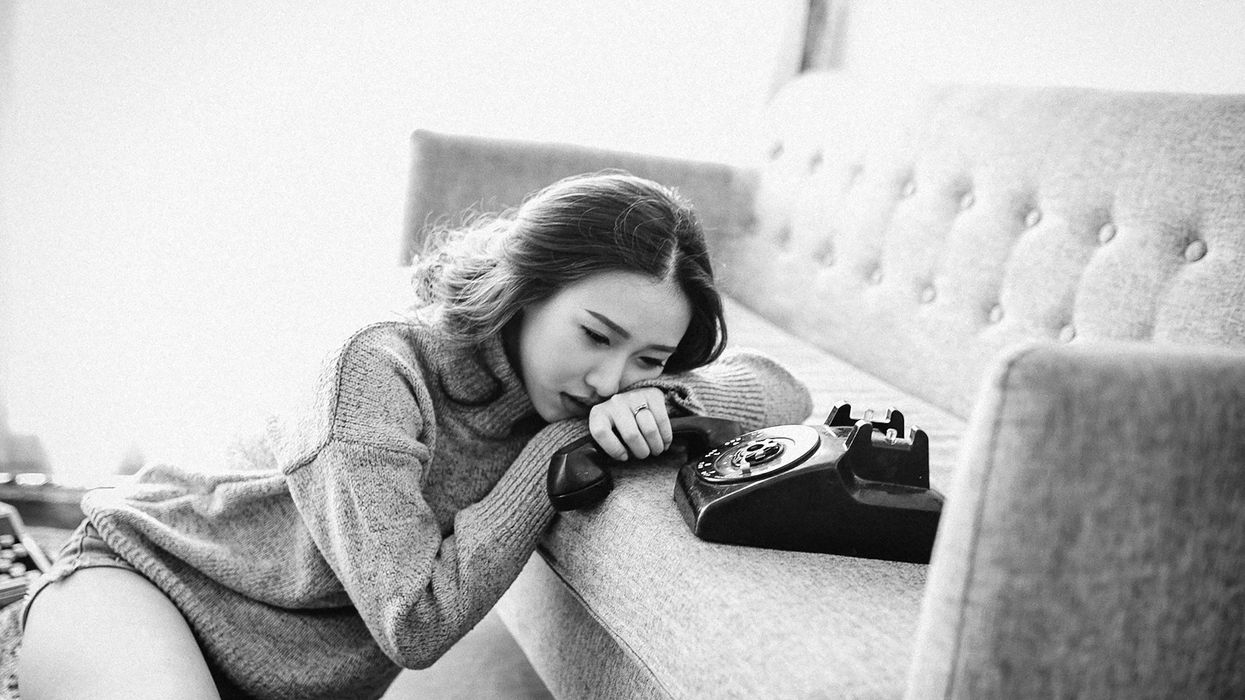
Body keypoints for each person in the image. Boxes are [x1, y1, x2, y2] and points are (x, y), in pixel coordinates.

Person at [14, 171, 811, 699]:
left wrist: (671, 397)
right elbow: (414, 623)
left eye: (648, 357)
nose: (610, 383)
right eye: (596, 335)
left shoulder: (587, 384)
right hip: (144, 588)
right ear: (524, 289)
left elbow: (784, 388)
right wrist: (552, 456)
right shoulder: (378, 367)